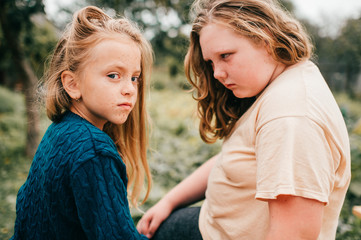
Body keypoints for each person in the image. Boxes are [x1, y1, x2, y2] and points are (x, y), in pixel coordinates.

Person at [137, 0, 351, 239]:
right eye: (211, 62)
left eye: (225, 56)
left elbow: (294, 234)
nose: (217, 73)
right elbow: (236, 159)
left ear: (264, 37)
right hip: (211, 224)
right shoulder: (284, 82)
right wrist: (168, 202)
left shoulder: (290, 118)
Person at [11, 6, 153, 240]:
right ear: (72, 84)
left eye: (134, 77)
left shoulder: (59, 130)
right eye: (113, 75)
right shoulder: (94, 150)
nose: (129, 89)